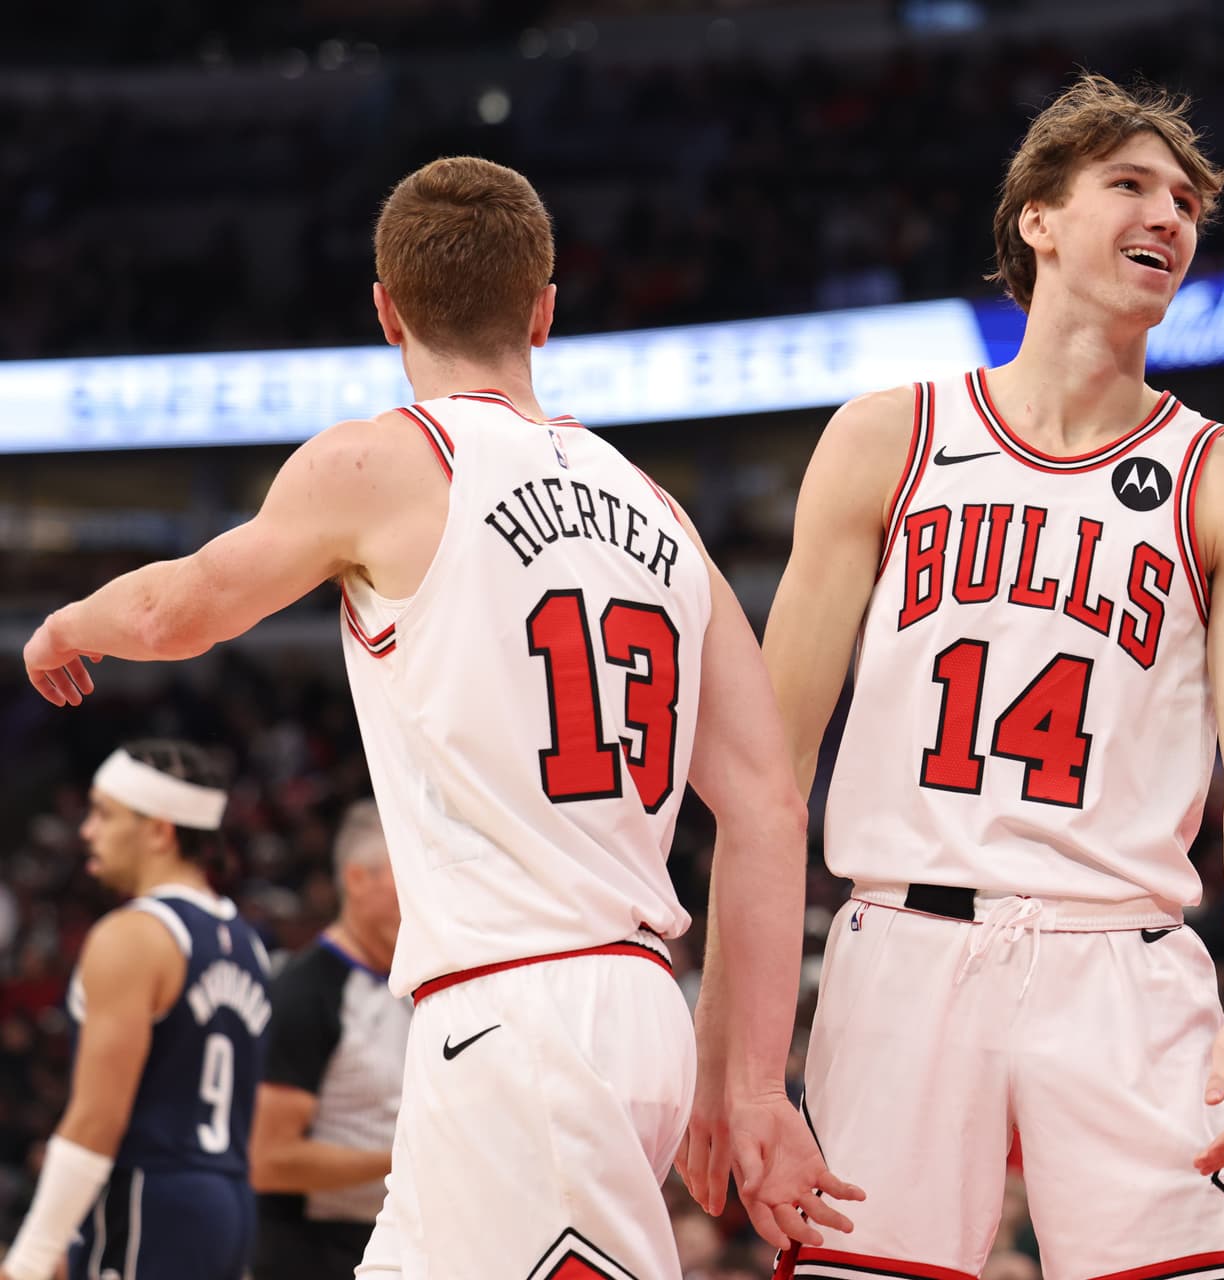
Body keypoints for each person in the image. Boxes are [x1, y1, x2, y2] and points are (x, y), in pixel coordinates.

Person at [21, 155, 857, 1276]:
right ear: (545, 309)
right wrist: (750, 1080)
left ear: (387, 307)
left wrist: (69, 623)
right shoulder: (658, 507)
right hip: (623, 1002)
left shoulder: (385, 459)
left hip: (524, 1012)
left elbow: (180, 609)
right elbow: (764, 807)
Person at [682, 74, 1224, 1280]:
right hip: (904, 946)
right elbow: (766, 774)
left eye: (1186, 201)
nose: (1169, 215)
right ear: (1038, 217)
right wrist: (733, 1062)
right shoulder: (887, 436)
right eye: (1130, 185)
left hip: (1126, 954)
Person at [1, 740, 270, 1280]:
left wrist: (31, 1256)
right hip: (230, 1203)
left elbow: (98, 1117)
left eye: (103, 813)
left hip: (149, 1199)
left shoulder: (133, 935)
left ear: (159, 831)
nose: (87, 831)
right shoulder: (248, 943)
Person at [250, 800, 408, 1280]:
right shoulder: (303, 994)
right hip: (317, 1250)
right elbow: (268, 1160)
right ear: (358, 880)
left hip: (399, 1238)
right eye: (407, 869)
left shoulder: (414, 980)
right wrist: (405, 1160)